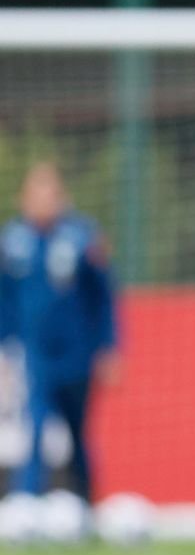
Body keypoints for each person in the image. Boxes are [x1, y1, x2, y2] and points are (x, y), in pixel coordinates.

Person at [0, 162, 119, 510]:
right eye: (35, 193)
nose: (43, 201)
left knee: (77, 428)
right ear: (24, 199)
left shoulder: (83, 239)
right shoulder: (12, 242)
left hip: (77, 355)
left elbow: (102, 299)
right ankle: (26, 502)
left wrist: (109, 347)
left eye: (49, 193)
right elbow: (5, 300)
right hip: (34, 354)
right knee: (34, 425)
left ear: (62, 197)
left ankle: (86, 501)